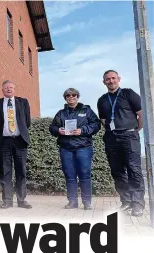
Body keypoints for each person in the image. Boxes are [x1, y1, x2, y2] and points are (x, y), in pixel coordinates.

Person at [97, 70, 145, 217]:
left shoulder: (128, 94)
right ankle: (126, 201)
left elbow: (141, 114)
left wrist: (136, 129)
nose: (111, 81)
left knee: (134, 169)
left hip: (129, 136)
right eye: (107, 79)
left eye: (113, 78)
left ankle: (137, 204)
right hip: (111, 138)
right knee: (117, 171)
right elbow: (104, 120)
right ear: (103, 82)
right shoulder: (102, 100)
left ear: (119, 79)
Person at [49, 88, 101, 210]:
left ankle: (87, 202)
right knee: (69, 175)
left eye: (73, 95)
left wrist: (82, 131)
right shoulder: (61, 113)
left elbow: (96, 125)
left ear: (77, 97)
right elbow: (52, 127)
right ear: (65, 98)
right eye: (68, 96)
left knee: (85, 175)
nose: (71, 97)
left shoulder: (86, 110)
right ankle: (72, 202)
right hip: (66, 148)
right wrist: (58, 130)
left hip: (83, 148)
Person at [0, 80, 32, 209]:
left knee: (21, 171)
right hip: (4, 141)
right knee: (6, 171)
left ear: (14, 89)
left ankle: (21, 200)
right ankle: (7, 200)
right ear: (2, 90)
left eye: (11, 87)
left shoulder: (23, 102)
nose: (9, 89)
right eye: (6, 88)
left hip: (20, 140)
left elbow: (27, 122)